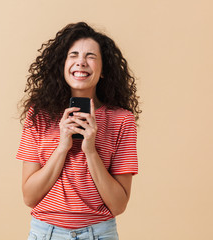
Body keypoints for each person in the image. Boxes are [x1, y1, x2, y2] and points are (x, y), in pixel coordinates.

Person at [16, 22, 141, 240]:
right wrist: (63, 146)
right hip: (46, 233)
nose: (81, 62)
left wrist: (91, 151)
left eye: (91, 56)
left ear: (103, 71)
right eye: (73, 55)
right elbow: (29, 196)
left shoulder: (121, 120)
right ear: (62, 65)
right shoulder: (39, 115)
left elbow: (119, 204)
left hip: (100, 234)